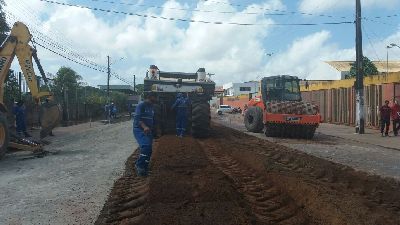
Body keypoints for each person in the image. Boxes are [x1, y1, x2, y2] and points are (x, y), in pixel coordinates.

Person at [133, 92, 157, 177]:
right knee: (146, 147)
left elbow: (151, 119)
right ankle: (139, 165)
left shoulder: (151, 107)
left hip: (148, 130)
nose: (155, 100)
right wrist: (144, 127)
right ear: (149, 97)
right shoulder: (141, 105)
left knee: (149, 150)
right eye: (154, 98)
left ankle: (145, 167)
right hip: (140, 129)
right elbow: (137, 118)